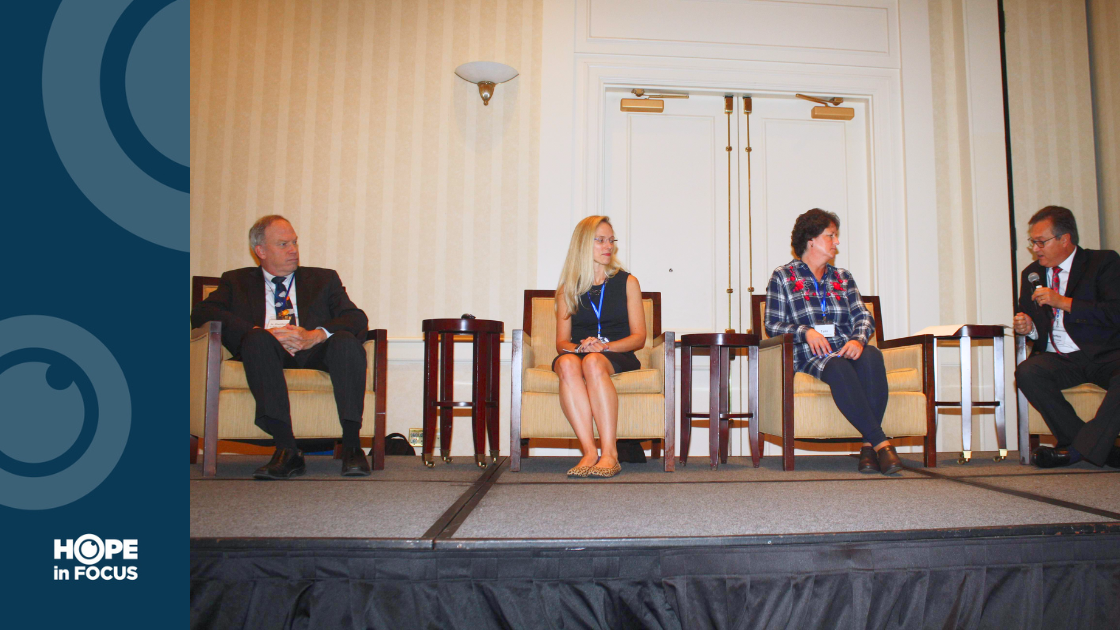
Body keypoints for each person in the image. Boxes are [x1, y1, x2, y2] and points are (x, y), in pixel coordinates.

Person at [191, 215, 371, 479]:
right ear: (260, 251)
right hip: (264, 354)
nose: (293, 250)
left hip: (313, 353)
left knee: (345, 341)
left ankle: (352, 446)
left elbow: (356, 318)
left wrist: (316, 335)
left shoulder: (323, 279)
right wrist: (258, 332)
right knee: (256, 340)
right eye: (283, 244)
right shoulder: (236, 281)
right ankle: (287, 450)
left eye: (295, 242)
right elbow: (202, 312)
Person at [764, 208, 903, 475]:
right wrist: (806, 331)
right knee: (838, 367)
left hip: (843, 346)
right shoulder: (782, 276)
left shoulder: (843, 277)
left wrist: (858, 341)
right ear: (811, 240)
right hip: (809, 353)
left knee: (872, 355)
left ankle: (867, 448)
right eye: (831, 235)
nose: (836, 242)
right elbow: (773, 324)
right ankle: (882, 444)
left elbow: (863, 316)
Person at [1012, 206, 1120, 469]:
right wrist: (1028, 328)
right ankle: (1095, 449)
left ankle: (1073, 451)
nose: (1036, 249)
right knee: (1028, 372)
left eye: (1041, 242)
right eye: (1033, 242)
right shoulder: (1031, 274)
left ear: (1065, 239)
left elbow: (1115, 311)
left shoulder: (1103, 262)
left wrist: (1065, 302)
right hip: (1061, 358)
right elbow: (1032, 318)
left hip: (1105, 354)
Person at [552, 216, 647, 478]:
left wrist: (603, 348)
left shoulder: (628, 282)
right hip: (579, 353)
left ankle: (610, 454)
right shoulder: (566, 290)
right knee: (567, 362)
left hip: (617, 353)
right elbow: (561, 343)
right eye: (601, 241)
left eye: (611, 241)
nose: (609, 246)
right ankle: (589, 452)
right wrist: (581, 347)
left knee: (593, 362)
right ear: (583, 245)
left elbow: (639, 337)